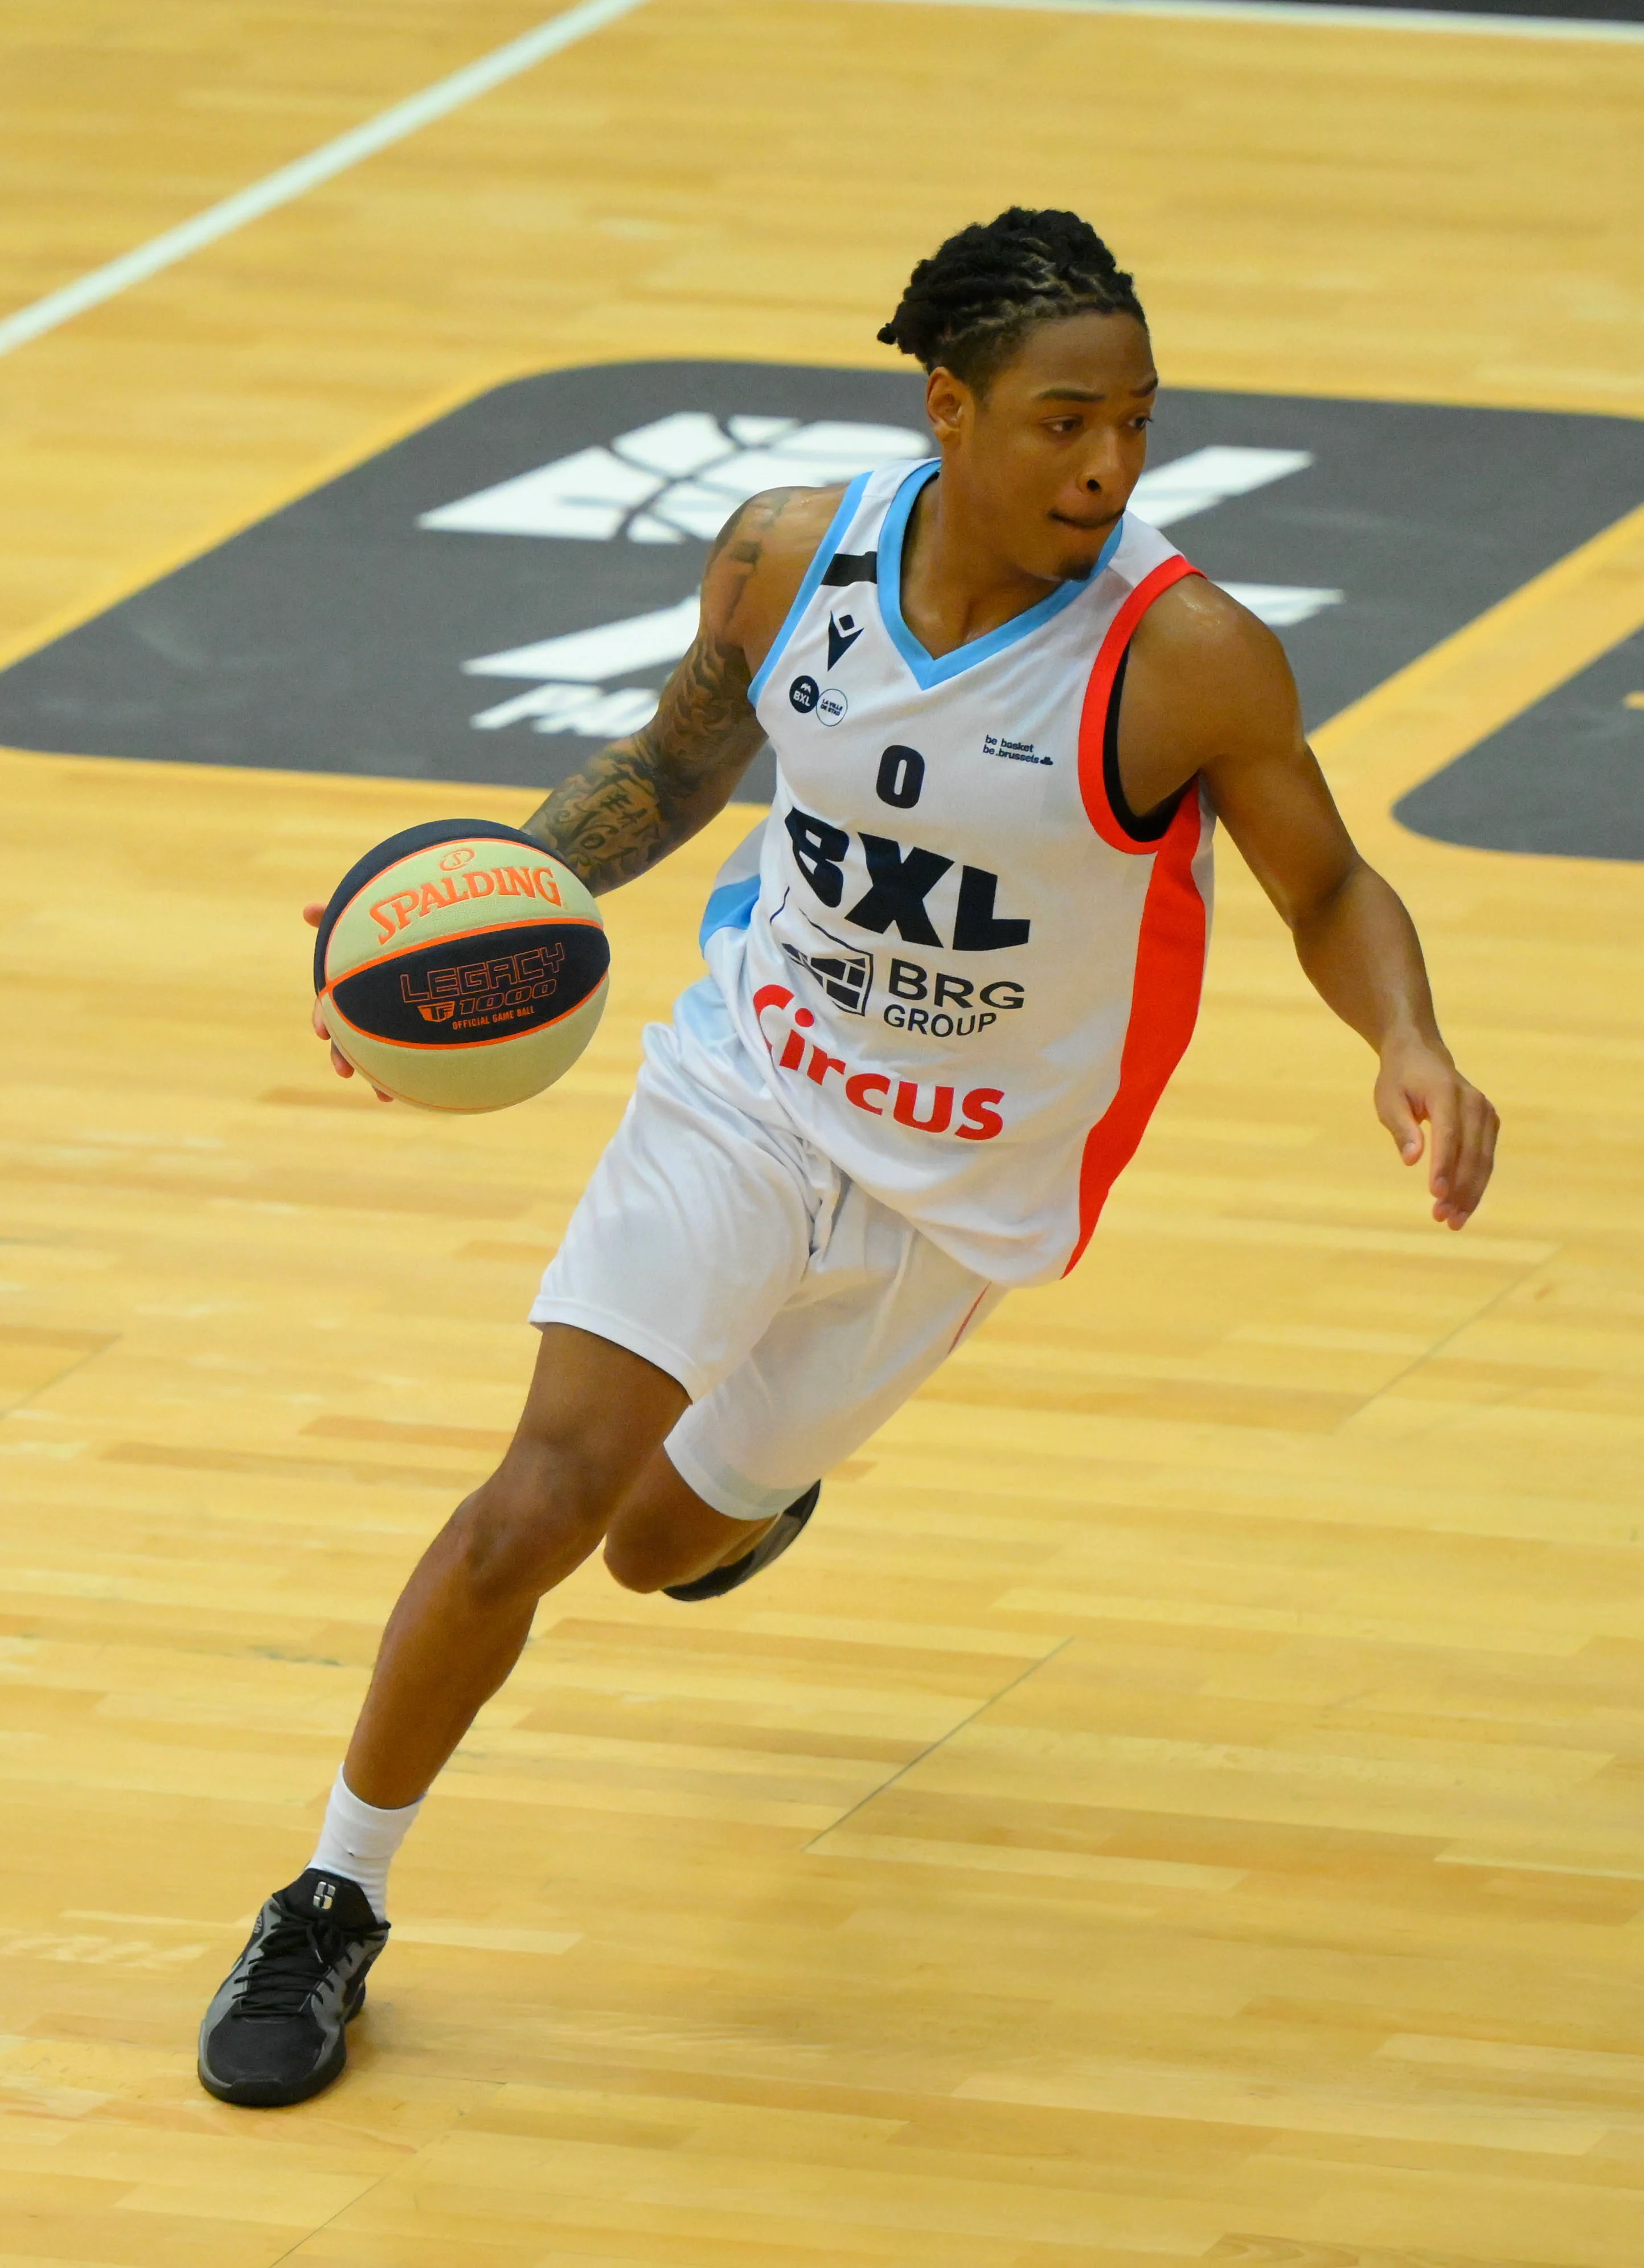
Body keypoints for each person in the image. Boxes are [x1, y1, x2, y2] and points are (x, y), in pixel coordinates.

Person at [198, 207, 1498, 2107]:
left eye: (1134, 420)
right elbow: (671, 767)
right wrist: (474, 906)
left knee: (656, 1546)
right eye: (1065, 419)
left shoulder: (1183, 657)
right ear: (947, 407)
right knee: (534, 1504)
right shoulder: (792, 554)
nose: (1109, 463)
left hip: (955, 1192)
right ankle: (330, 1895)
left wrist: (1408, 1033)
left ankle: (748, 1501)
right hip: (745, 1081)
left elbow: (1327, 879)